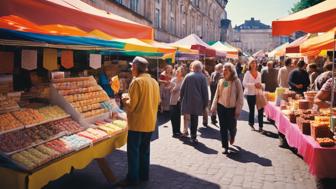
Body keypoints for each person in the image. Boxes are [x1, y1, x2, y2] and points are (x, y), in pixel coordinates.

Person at [119, 56, 160, 187]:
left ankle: (132, 178)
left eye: (132, 66)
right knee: (144, 150)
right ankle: (144, 175)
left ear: (136, 68)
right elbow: (158, 101)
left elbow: (131, 106)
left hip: (137, 124)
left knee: (133, 152)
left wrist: (124, 97)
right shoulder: (153, 81)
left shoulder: (137, 82)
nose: (131, 69)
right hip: (150, 122)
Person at [211, 63, 244, 154]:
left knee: (231, 127)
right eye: (223, 69)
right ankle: (225, 146)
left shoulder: (236, 81)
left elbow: (240, 96)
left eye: (226, 70)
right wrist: (213, 106)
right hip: (221, 107)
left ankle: (232, 134)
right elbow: (217, 94)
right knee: (223, 127)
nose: (224, 71)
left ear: (231, 71)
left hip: (232, 108)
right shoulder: (221, 81)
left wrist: (238, 109)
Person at [180, 60, 209, 144]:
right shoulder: (202, 77)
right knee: (194, 119)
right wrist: (205, 103)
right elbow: (205, 92)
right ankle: (193, 136)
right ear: (200, 68)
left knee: (187, 117)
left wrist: (181, 99)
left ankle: (187, 132)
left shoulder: (188, 76)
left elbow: (182, 89)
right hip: (197, 102)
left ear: (193, 67)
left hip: (187, 100)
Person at [243, 58, 264, 132]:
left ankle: (261, 126)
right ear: (250, 64)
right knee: (252, 110)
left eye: (255, 63)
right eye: (252, 63)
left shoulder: (259, 73)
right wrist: (254, 85)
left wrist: (260, 85)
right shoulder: (247, 73)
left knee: (260, 110)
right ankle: (251, 124)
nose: (254, 64)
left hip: (258, 94)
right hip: (250, 94)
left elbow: (260, 83)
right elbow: (244, 84)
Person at [169, 67, 184, 138]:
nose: (177, 72)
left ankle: (178, 131)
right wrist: (175, 86)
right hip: (173, 100)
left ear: (182, 73)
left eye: (178, 71)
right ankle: (174, 132)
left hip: (180, 101)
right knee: (173, 116)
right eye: (177, 71)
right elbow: (171, 90)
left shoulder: (184, 80)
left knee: (178, 117)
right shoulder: (173, 80)